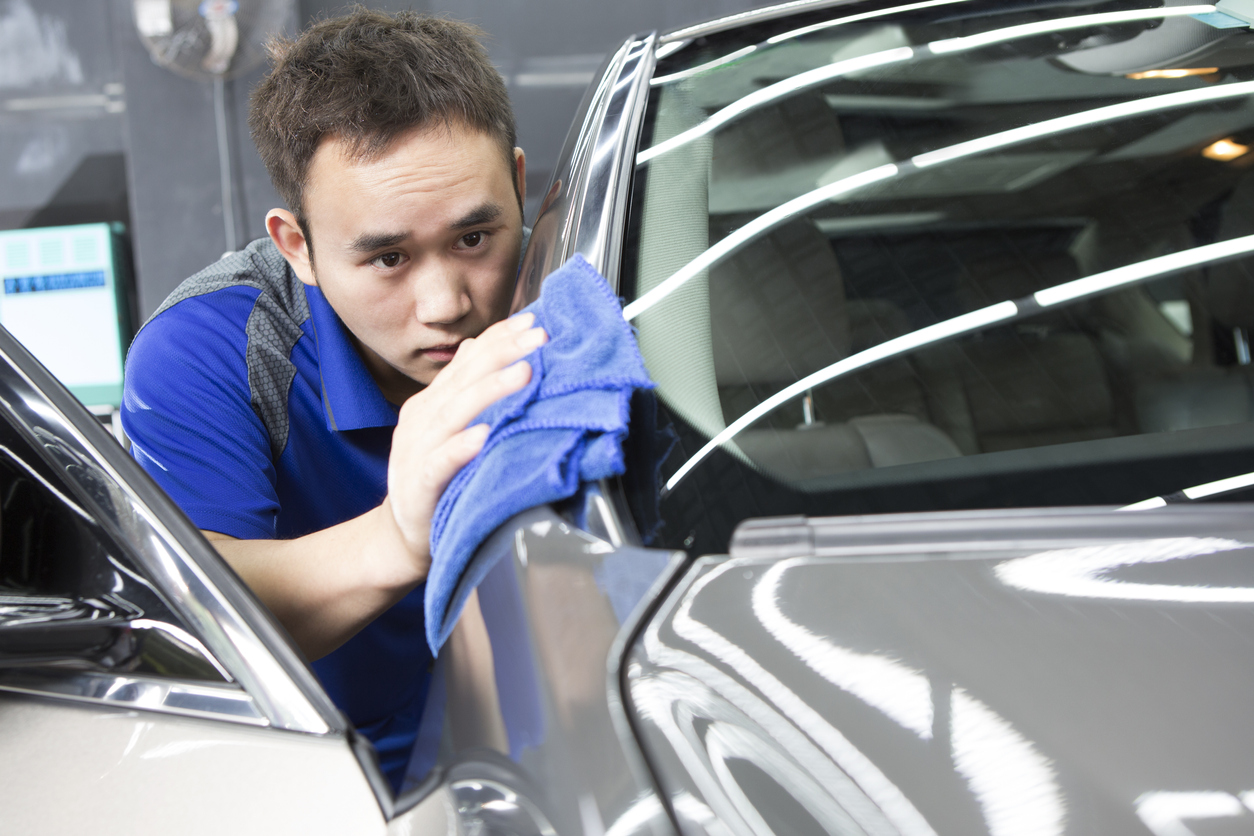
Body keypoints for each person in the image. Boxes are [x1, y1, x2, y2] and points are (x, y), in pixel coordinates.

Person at [121, 9, 543, 788]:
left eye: (474, 239)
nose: (447, 302)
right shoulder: (210, 352)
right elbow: (196, 616)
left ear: (518, 186)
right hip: (338, 790)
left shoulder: (574, 284)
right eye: (387, 257)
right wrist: (399, 535)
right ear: (299, 247)